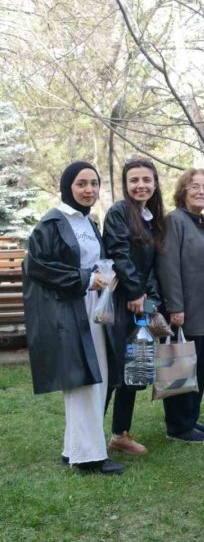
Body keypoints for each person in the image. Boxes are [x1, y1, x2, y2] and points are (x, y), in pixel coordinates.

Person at [23, 162, 124, 475]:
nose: (89, 190)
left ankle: (74, 449)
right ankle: (90, 457)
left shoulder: (88, 221)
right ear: (68, 186)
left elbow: (92, 262)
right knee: (83, 381)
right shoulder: (51, 223)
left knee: (98, 379)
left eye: (94, 184)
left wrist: (105, 275)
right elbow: (38, 268)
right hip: (69, 311)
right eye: (82, 184)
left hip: (93, 309)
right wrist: (84, 280)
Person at [156, 168, 204, 443]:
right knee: (178, 363)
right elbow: (168, 265)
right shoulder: (175, 221)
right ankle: (178, 426)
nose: (201, 191)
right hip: (183, 309)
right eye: (194, 186)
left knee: (197, 365)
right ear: (183, 191)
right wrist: (175, 306)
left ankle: (191, 419)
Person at [103, 157, 166, 456]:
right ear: (126, 184)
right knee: (115, 371)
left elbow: (152, 265)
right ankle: (88, 436)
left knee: (134, 367)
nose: (141, 185)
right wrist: (135, 292)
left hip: (141, 302)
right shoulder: (118, 212)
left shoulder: (151, 216)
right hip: (122, 301)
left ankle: (121, 434)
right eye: (134, 180)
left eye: (146, 180)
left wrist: (149, 301)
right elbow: (119, 254)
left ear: (154, 183)